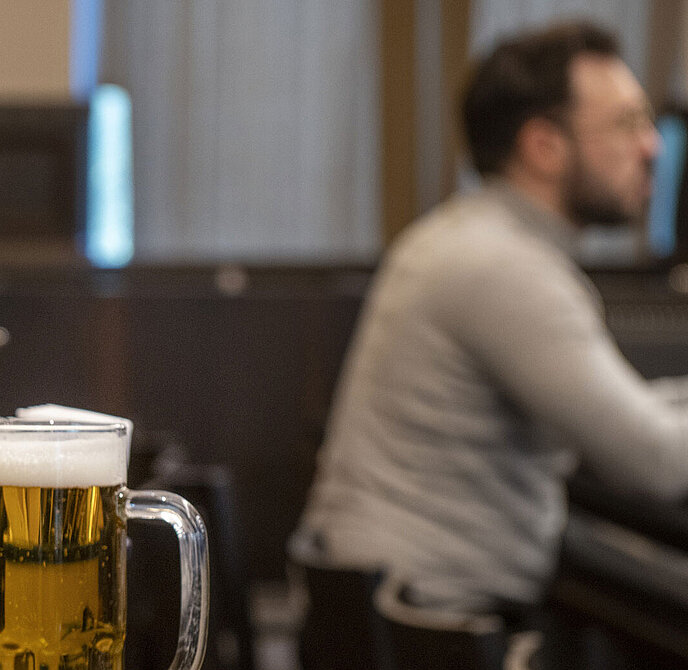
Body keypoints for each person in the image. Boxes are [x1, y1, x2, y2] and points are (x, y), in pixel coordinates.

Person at [293, 20, 688, 613]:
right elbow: (654, 460)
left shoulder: (463, 236)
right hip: (432, 628)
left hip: (372, 612)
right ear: (544, 146)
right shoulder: (505, 269)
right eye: (627, 123)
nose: (653, 145)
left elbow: (626, 408)